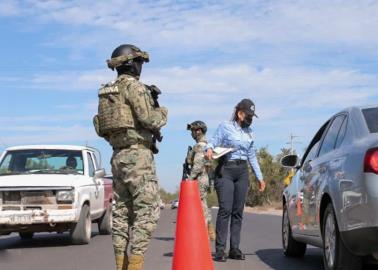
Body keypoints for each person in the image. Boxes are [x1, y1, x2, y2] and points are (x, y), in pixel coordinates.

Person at [93, 44, 168, 270]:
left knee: (122, 213)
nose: (140, 67)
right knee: (147, 212)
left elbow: (101, 127)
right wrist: (162, 110)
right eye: (139, 62)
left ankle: (121, 264)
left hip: (118, 157)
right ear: (131, 63)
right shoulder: (135, 88)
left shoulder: (107, 91)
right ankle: (135, 265)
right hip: (138, 157)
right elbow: (150, 120)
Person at [205, 98, 266, 262]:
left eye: (252, 116)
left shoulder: (250, 132)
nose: (250, 119)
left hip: (242, 172)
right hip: (226, 170)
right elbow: (213, 141)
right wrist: (209, 149)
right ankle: (219, 250)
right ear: (240, 114)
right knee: (225, 210)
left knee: (238, 212)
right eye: (248, 115)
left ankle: (234, 249)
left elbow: (252, 155)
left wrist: (260, 177)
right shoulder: (225, 127)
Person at [186, 121, 216, 241]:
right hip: (205, 177)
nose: (192, 134)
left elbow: (198, 164)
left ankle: (203, 235)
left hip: (200, 177)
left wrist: (190, 179)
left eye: (193, 131)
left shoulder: (200, 145)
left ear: (198, 131)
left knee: (201, 205)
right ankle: (209, 230)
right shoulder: (206, 144)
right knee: (203, 204)